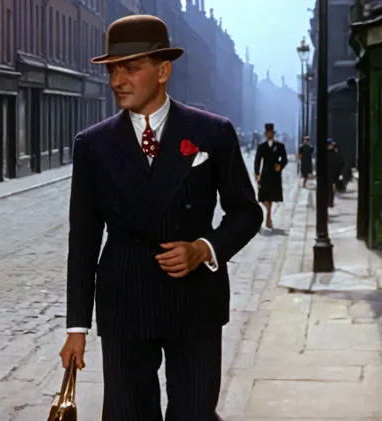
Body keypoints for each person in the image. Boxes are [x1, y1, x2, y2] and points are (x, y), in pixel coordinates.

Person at [59, 15, 263, 421]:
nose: (118, 80)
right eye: (113, 69)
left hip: (195, 303)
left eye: (131, 68)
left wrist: (203, 248)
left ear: (163, 70)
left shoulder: (212, 132)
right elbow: (82, 240)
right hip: (125, 304)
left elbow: (246, 212)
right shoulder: (93, 145)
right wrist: (77, 328)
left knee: (193, 413)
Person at [254, 123, 288, 229]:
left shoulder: (280, 146)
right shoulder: (261, 147)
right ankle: (268, 214)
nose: (270, 135)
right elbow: (257, 161)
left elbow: (285, 159)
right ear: (265, 134)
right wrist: (257, 173)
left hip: (275, 175)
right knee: (263, 197)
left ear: (273, 134)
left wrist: (280, 166)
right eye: (268, 133)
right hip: (265, 174)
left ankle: (268, 218)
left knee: (272, 197)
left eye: (271, 133)